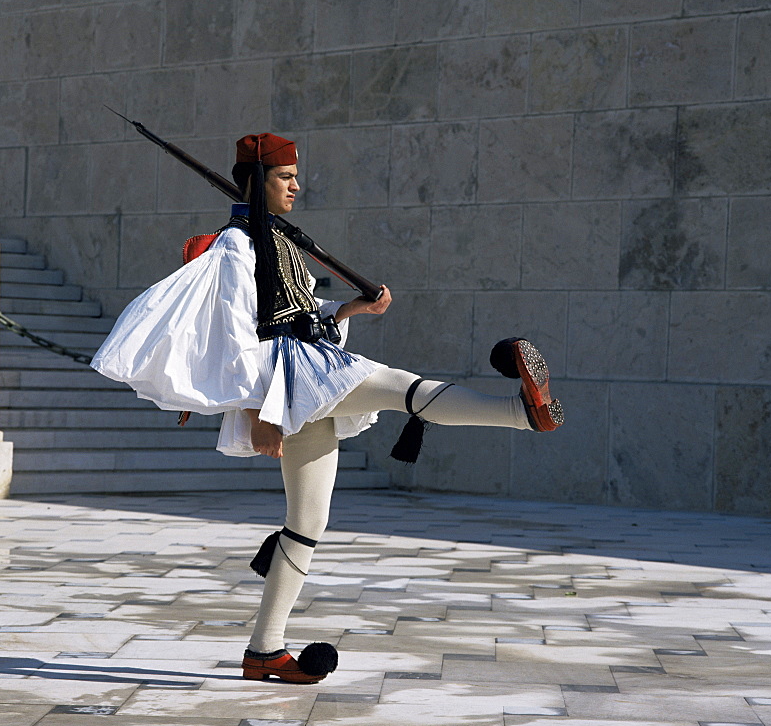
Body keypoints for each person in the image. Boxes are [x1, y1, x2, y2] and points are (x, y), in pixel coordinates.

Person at [92, 132, 563, 685]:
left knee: (307, 524)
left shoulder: (278, 241)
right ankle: (522, 411)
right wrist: (259, 413)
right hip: (289, 378)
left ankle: (263, 651)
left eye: (295, 177)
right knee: (399, 387)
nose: (297, 185)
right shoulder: (235, 248)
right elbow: (237, 336)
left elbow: (301, 309)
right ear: (255, 182)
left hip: (302, 369)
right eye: (285, 177)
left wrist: (351, 309)